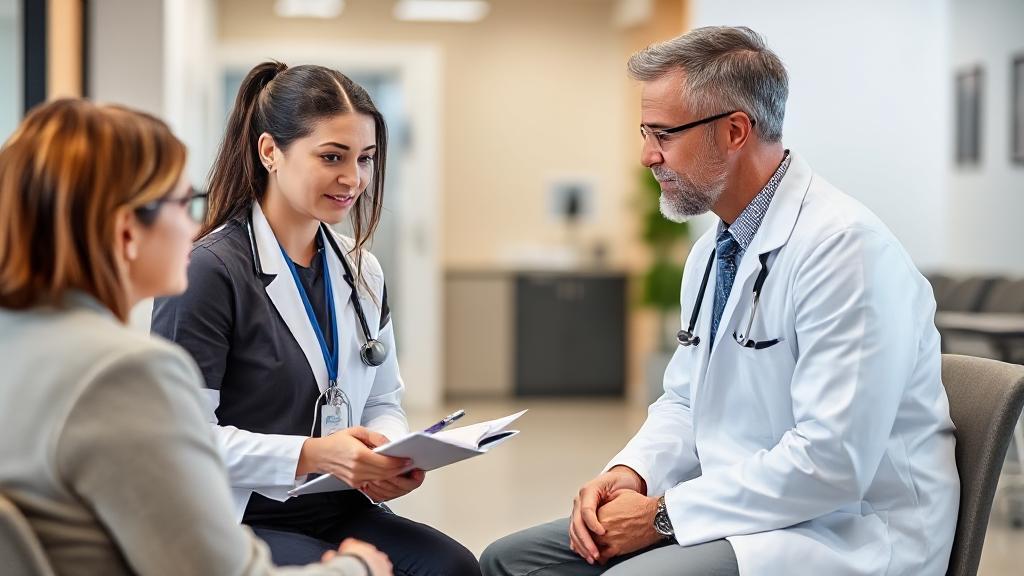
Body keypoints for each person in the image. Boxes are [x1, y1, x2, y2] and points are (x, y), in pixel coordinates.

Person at [481, 26, 959, 576]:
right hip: (742, 510)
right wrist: (633, 473)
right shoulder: (716, 250)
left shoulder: (847, 250)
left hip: (847, 530)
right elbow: (685, 400)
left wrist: (662, 516)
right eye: (645, 131)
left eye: (663, 134)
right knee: (510, 562)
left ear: (735, 131)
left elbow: (833, 464)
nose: (646, 156)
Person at [0, 98, 391, 575]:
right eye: (183, 204)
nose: (194, 228)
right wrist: (357, 570)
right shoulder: (123, 371)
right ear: (128, 232)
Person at [150, 61, 479, 575]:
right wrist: (315, 454)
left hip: (339, 506)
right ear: (269, 152)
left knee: (453, 567)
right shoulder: (209, 271)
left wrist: (388, 452)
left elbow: (382, 398)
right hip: (236, 516)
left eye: (366, 159)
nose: (354, 179)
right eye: (332, 157)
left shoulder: (360, 268)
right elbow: (182, 438)